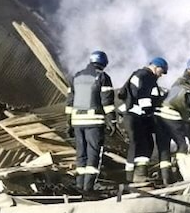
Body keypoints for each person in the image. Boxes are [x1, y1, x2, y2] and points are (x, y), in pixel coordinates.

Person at [65, 50, 116, 192]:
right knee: (93, 154)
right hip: (94, 121)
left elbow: (70, 101)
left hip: (77, 122)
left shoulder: (76, 76)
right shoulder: (103, 77)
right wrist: (112, 121)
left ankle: (79, 185)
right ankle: (88, 188)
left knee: (81, 154)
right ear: (104, 63)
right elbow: (107, 102)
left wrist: (68, 122)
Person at [155, 61, 190, 183]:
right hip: (170, 116)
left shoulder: (178, 84)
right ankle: (182, 174)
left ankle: (166, 181)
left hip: (158, 117)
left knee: (164, 149)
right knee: (183, 144)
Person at [117, 56, 168, 183]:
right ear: (157, 67)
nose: (161, 75)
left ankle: (136, 175)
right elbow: (143, 97)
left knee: (143, 143)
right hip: (135, 116)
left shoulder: (142, 76)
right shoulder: (145, 76)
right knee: (140, 144)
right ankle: (135, 176)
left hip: (136, 116)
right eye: (161, 72)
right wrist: (150, 110)